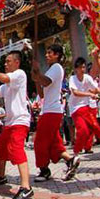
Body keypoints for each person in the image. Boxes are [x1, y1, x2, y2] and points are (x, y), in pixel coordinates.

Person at [0, 51, 33, 199]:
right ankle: (1, 176)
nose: (5, 64)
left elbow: (5, 77)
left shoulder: (20, 74)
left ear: (17, 62)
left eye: (8, 61)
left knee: (17, 149)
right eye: (4, 62)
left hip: (20, 120)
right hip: (10, 122)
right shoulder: (6, 85)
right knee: (0, 149)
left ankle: (26, 187)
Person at [31, 44, 80, 182]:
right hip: (48, 109)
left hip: (52, 111)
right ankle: (70, 160)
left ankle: (44, 170)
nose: (47, 55)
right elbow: (41, 93)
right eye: (46, 53)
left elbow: (46, 82)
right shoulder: (50, 70)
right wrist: (35, 75)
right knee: (54, 142)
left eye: (50, 53)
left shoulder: (56, 68)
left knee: (40, 141)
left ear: (57, 55)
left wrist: (38, 72)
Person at [68, 57, 100, 159]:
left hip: (86, 108)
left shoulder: (87, 78)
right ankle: (76, 152)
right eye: (80, 68)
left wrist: (98, 91)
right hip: (75, 109)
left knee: (96, 127)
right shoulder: (72, 79)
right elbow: (75, 93)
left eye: (83, 67)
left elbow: (96, 88)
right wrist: (89, 94)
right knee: (83, 130)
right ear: (76, 69)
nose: (82, 70)